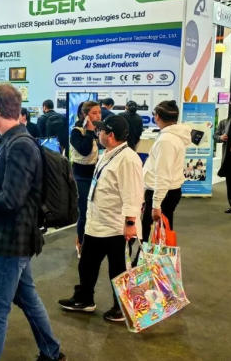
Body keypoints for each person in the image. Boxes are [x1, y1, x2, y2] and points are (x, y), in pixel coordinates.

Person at [0, 84, 64, 361]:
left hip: (10, 240)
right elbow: (14, 190)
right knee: (27, 299)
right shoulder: (14, 140)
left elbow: (11, 200)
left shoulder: (19, 144)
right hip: (15, 237)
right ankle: (52, 351)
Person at [58, 115, 142, 323]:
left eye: (101, 130)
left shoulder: (128, 159)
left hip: (116, 227)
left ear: (110, 135)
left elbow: (133, 194)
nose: (98, 133)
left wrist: (130, 223)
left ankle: (121, 308)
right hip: (98, 223)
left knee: (118, 270)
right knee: (87, 264)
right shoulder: (109, 154)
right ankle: (84, 298)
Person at [141, 100, 190, 242]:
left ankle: (151, 258)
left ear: (157, 116)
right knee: (160, 235)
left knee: (152, 237)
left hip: (162, 193)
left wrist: (156, 204)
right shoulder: (173, 136)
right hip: (167, 192)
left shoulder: (166, 140)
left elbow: (163, 174)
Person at [70, 100, 101, 257]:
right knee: (84, 211)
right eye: (94, 113)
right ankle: (81, 242)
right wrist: (89, 131)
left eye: (99, 112)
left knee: (94, 211)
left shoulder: (97, 130)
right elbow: (84, 150)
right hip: (80, 177)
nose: (98, 116)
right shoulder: (76, 132)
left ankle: (90, 241)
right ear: (85, 115)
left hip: (95, 176)